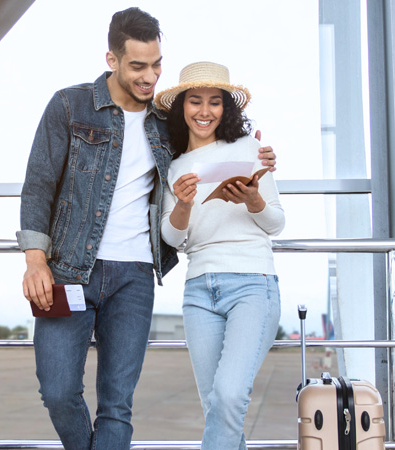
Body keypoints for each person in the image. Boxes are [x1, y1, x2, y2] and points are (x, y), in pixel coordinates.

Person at [17, 9, 276, 449]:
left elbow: (209, 138)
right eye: (138, 66)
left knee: (118, 404)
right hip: (69, 270)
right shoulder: (69, 104)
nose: (150, 76)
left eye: (157, 65)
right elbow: (39, 185)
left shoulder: (164, 124)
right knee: (58, 391)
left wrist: (257, 162)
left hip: (136, 275)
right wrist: (34, 260)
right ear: (112, 59)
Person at [155, 61, 284, 450]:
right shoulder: (173, 167)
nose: (205, 111)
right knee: (217, 409)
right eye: (195, 101)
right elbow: (172, 237)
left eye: (215, 102)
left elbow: (276, 223)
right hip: (198, 292)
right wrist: (183, 202)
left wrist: (254, 199)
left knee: (228, 397)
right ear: (182, 108)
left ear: (227, 109)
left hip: (252, 285)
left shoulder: (249, 149)